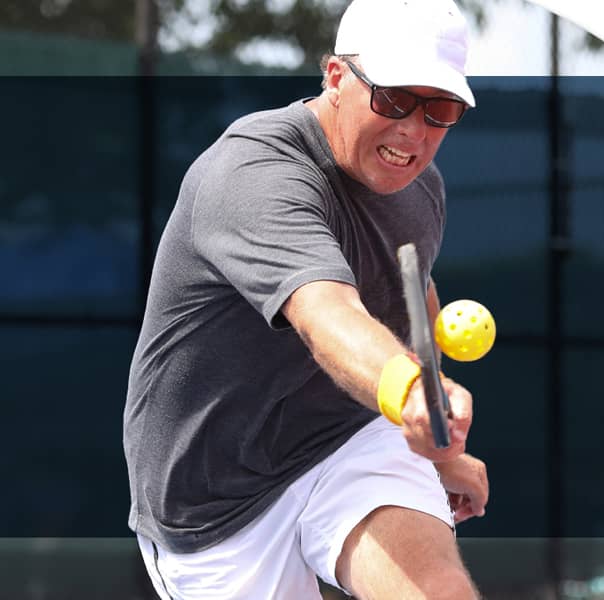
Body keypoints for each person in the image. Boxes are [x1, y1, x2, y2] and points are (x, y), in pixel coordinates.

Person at [123, 0, 488, 597]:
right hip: (217, 499)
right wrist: (404, 390)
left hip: (351, 439)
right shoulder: (253, 170)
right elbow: (326, 312)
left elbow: (412, 293)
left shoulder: (419, 188)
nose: (414, 132)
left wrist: (437, 441)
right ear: (336, 78)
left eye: (440, 109)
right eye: (394, 99)